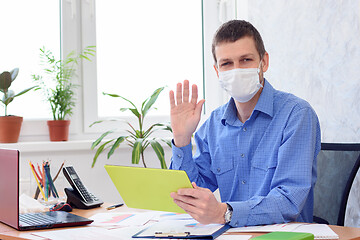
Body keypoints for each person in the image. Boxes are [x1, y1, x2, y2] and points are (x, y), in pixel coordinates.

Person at [168, 20, 321, 227]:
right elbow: (192, 193)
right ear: (217, 71)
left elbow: (289, 200)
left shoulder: (296, 115)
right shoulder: (214, 123)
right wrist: (182, 138)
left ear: (263, 62)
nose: (236, 70)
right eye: (227, 64)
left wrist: (225, 212)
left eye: (246, 60)